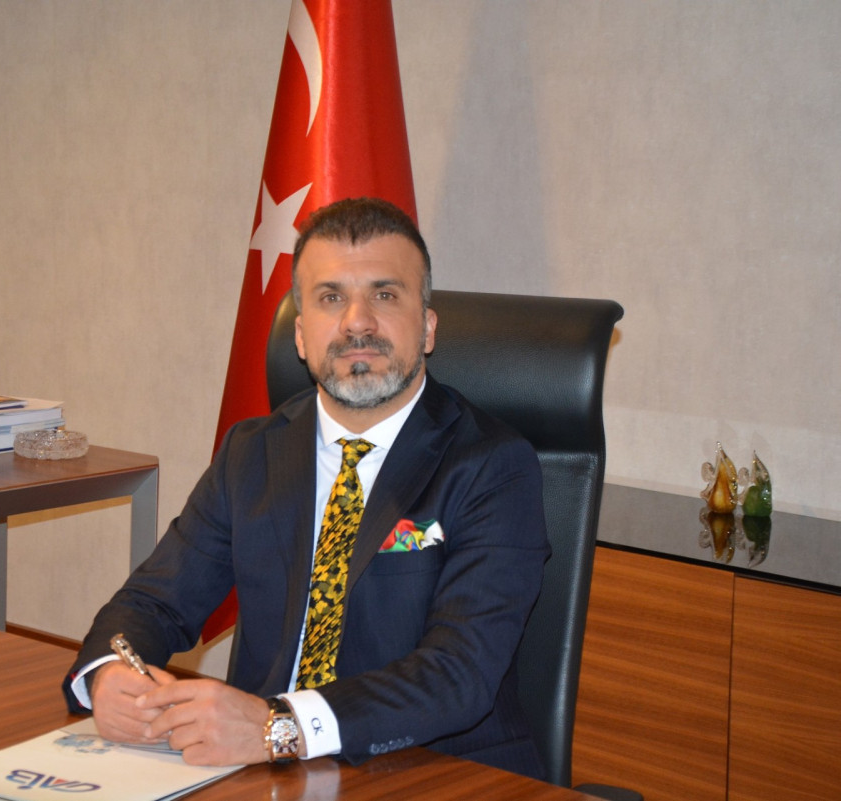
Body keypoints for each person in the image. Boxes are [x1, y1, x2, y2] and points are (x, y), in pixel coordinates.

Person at [62, 197, 550, 778]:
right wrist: (108, 677)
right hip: (262, 771)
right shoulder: (252, 452)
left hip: (433, 773)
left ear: (427, 327)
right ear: (300, 335)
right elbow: (154, 602)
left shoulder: (493, 465)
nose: (357, 322)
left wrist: (281, 725)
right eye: (330, 298)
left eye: (384, 295)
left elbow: (458, 674)